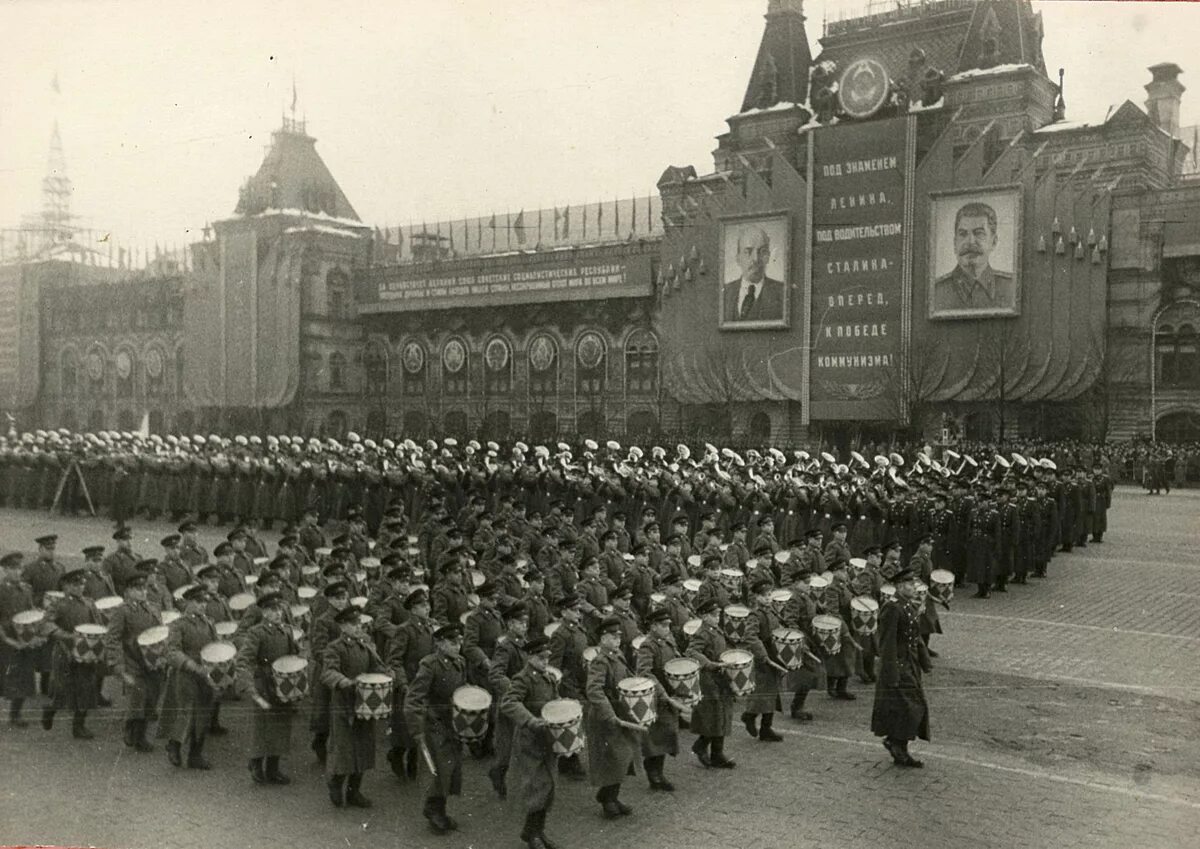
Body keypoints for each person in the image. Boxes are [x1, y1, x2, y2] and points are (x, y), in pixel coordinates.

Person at [321, 605, 388, 808]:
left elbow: (376, 666)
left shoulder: (365, 643)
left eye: (359, 623)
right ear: (342, 626)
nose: (358, 627)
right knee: (344, 749)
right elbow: (328, 672)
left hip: (366, 702)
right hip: (344, 703)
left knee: (363, 748)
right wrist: (344, 681)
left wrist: (385, 674)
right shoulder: (335, 647)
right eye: (353, 624)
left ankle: (354, 791)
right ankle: (335, 783)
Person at [406, 622, 468, 834]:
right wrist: (416, 729)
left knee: (450, 768)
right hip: (435, 723)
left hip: (453, 723)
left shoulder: (460, 662)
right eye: (452, 642)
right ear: (440, 644)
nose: (457, 645)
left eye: (459, 641)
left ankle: (440, 810)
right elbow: (414, 698)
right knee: (439, 769)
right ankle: (433, 811)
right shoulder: (430, 665)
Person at [500, 634, 561, 849]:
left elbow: (555, 702)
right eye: (541, 658)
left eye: (547, 658)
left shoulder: (550, 677)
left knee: (548, 786)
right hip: (530, 741)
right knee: (537, 787)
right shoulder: (523, 678)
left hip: (548, 738)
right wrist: (530, 720)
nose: (546, 662)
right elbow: (508, 703)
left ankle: (537, 831)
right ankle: (532, 834)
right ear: (530, 658)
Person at [235, 590, 302, 785]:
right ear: (263, 613)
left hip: (283, 683)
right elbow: (244, 659)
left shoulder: (287, 630)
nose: (277, 613)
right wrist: (248, 685)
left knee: (281, 725)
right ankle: (256, 763)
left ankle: (273, 768)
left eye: (279, 609)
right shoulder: (257, 633)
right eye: (272, 610)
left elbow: (293, 653)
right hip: (264, 683)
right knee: (263, 726)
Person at [585, 616, 649, 819]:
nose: (617, 640)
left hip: (620, 711)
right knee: (613, 758)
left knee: (622, 757)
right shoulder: (600, 661)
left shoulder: (617, 654)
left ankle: (610, 795)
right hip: (606, 716)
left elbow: (627, 675)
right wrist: (610, 714)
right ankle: (607, 800)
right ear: (603, 638)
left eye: (618, 636)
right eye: (613, 637)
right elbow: (594, 690)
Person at [870, 568, 933, 768]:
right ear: (898, 587)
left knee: (909, 707)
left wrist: (924, 661)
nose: (913, 587)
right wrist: (891, 672)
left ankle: (898, 745)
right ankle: (897, 745)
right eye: (909, 584)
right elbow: (886, 643)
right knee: (909, 707)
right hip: (899, 665)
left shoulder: (907, 606)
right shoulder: (892, 608)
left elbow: (916, 638)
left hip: (910, 664)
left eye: (913, 584)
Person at [104, 569, 162, 752]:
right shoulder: (122, 611)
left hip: (152, 660)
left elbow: (160, 633)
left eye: (144, 588)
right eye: (137, 589)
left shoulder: (153, 608)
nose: (143, 592)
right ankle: (137, 735)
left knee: (151, 698)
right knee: (138, 698)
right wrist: (118, 666)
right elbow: (112, 638)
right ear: (128, 591)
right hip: (132, 660)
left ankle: (135, 729)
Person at [42, 568, 102, 739]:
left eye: (82, 584)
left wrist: (97, 640)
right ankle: (50, 710)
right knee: (62, 690)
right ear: (66, 586)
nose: (79, 587)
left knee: (86, 689)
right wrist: (66, 635)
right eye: (75, 584)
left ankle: (78, 727)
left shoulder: (90, 603)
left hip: (86, 652)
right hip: (64, 651)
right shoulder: (58, 604)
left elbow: (97, 625)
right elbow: (46, 625)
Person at [163, 584, 219, 769]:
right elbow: (172, 652)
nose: (202, 605)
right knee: (186, 712)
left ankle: (196, 755)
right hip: (186, 673)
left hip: (206, 673)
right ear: (188, 602)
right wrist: (191, 665)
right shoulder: (179, 624)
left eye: (204, 602)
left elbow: (215, 646)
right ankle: (174, 745)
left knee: (203, 713)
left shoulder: (209, 623)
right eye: (198, 601)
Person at [932, 201, 1014, 313]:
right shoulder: (935, 292)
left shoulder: (1012, 289)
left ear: (993, 242)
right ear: (954, 242)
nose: (970, 242)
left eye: (979, 233)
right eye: (963, 234)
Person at [686, 598, 736, 768]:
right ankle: (701, 746)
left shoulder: (715, 630)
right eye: (714, 615)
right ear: (704, 616)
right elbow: (691, 651)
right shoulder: (703, 632)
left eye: (718, 615)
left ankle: (717, 753)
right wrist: (709, 663)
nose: (717, 618)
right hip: (708, 678)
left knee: (721, 715)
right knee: (713, 716)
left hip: (720, 676)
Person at [1, 551, 44, 727]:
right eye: (13, 568)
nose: (18, 572)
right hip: (6, 640)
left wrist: (35, 631)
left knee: (23, 678)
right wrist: (8, 640)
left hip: (24, 638)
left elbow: (30, 611)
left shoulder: (26, 589)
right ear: (4, 570)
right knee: (6, 676)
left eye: (20, 568)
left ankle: (15, 714)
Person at [722, 224, 785, 323]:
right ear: (738, 258)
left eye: (762, 251)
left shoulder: (783, 293)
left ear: (768, 256)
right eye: (748, 252)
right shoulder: (724, 293)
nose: (755, 259)